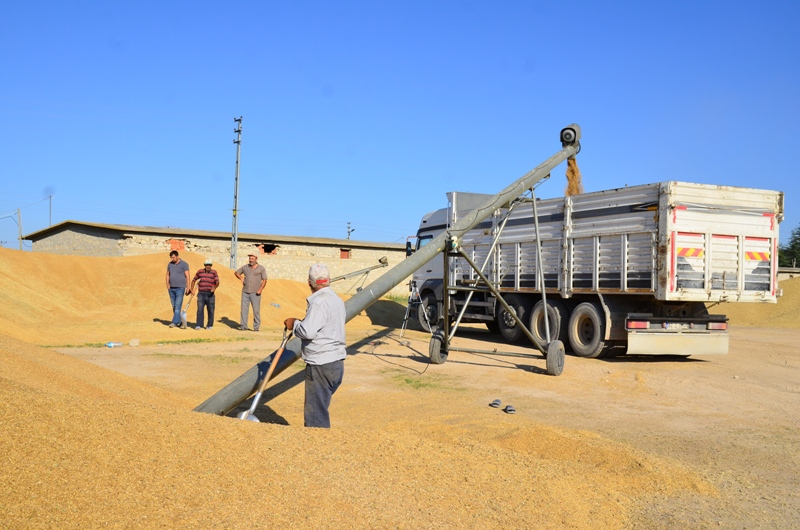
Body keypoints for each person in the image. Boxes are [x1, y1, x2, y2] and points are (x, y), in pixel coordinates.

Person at [284, 263, 346, 428]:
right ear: (329, 280)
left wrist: (294, 323)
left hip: (321, 364)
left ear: (309, 282)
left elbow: (308, 332)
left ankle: (317, 448)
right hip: (336, 363)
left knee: (316, 416)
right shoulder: (337, 301)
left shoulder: (319, 302)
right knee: (321, 407)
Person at [234, 253, 268, 331]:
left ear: (256, 259)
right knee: (244, 309)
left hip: (255, 292)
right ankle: (243, 326)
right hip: (245, 291)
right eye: (250, 258)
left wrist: (260, 289)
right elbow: (236, 272)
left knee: (256, 310)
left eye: (252, 258)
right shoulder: (245, 267)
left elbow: (264, 280)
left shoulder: (261, 268)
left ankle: (256, 327)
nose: (250, 260)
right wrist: (241, 278)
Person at [190, 259, 220, 330]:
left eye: (209, 265)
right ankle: (199, 325)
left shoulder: (214, 272)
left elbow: (217, 282)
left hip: (210, 294)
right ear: (204, 265)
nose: (208, 266)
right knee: (200, 310)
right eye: (207, 265)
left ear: (211, 266)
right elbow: (194, 280)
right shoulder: (200, 272)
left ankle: (209, 325)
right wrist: (192, 290)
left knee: (211, 310)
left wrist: (215, 287)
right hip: (201, 294)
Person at [165, 250, 191, 329]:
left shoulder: (184, 264)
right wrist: (167, 284)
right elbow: (167, 275)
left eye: (173, 257)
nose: (172, 259)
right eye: (171, 257)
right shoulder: (170, 264)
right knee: (174, 305)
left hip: (180, 288)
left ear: (177, 256)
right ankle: (180, 322)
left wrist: (188, 287)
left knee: (178, 305)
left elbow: (187, 276)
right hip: (171, 288)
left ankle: (174, 322)